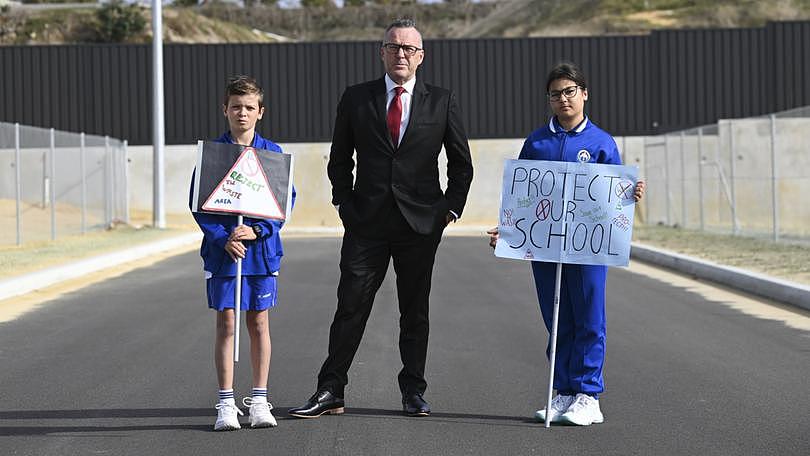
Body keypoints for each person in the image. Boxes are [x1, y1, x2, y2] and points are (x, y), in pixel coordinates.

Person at [289, 18, 473, 419]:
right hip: (366, 223)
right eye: (393, 47)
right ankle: (330, 390)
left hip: (420, 225)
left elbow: (461, 165)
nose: (401, 54)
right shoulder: (356, 98)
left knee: (415, 311)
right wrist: (345, 205)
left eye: (409, 48)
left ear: (421, 57)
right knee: (350, 306)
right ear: (382, 52)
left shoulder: (442, 101)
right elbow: (340, 159)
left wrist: (448, 211)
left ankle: (413, 392)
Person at [488, 62, 645, 426]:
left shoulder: (602, 143)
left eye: (569, 91)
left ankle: (588, 395)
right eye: (556, 94)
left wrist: (630, 194)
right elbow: (523, 198)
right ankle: (562, 392)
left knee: (589, 317)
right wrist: (507, 231)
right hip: (545, 247)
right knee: (557, 318)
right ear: (549, 100)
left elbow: (613, 200)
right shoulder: (537, 142)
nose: (563, 99)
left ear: (584, 94)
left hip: (588, 249)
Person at [190, 76, 295, 431]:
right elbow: (199, 204)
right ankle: (225, 403)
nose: (242, 113)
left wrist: (258, 230)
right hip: (224, 254)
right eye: (236, 107)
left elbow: (284, 202)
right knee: (227, 323)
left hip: (261, 253)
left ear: (260, 112)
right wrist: (223, 237)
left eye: (250, 107)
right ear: (225, 110)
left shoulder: (273, 155)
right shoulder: (211, 155)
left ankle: (260, 401)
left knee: (259, 322)